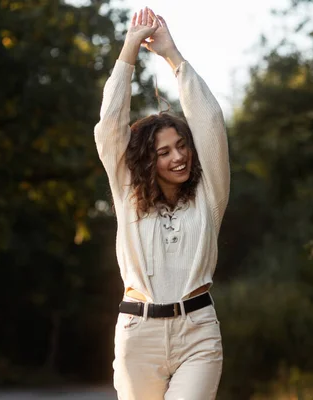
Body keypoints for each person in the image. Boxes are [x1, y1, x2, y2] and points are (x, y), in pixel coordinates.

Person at [94, 7, 230, 400]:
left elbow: (210, 120)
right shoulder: (128, 194)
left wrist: (173, 56)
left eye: (182, 146)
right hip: (139, 334)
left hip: (198, 331)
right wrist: (128, 52)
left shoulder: (209, 195)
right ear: (146, 162)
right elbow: (109, 129)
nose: (178, 157)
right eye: (164, 151)